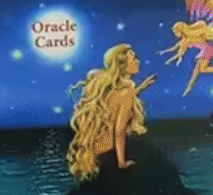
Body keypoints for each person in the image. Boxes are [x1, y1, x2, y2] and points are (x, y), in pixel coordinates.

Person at [66, 43, 156, 181]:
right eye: (133, 58)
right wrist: (121, 162)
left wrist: (141, 88)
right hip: (110, 155)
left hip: (96, 155)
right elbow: (119, 131)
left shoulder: (112, 88)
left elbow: (116, 104)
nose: (138, 61)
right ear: (122, 65)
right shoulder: (126, 91)